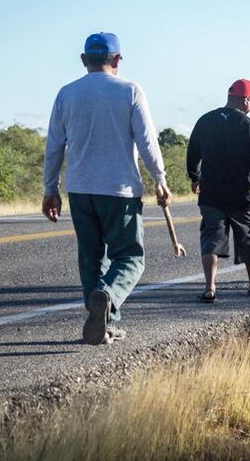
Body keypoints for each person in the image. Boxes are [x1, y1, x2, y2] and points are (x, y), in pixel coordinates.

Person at [42, 32, 172, 345]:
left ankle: (105, 324)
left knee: (91, 259)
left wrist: (50, 188)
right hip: (119, 190)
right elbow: (147, 141)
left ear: (84, 60)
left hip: (80, 190)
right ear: (116, 59)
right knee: (130, 258)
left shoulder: (66, 94)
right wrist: (160, 178)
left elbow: (54, 146)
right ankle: (109, 298)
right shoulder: (129, 90)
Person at [186, 79, 250, 302]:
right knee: (248, 237)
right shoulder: (249, 126)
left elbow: (193, 152)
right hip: (241, 195)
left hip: (211, 193)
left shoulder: (205, 120)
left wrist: (195, 177)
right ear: (245, 100)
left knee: (211, 237)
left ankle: (210, 287)